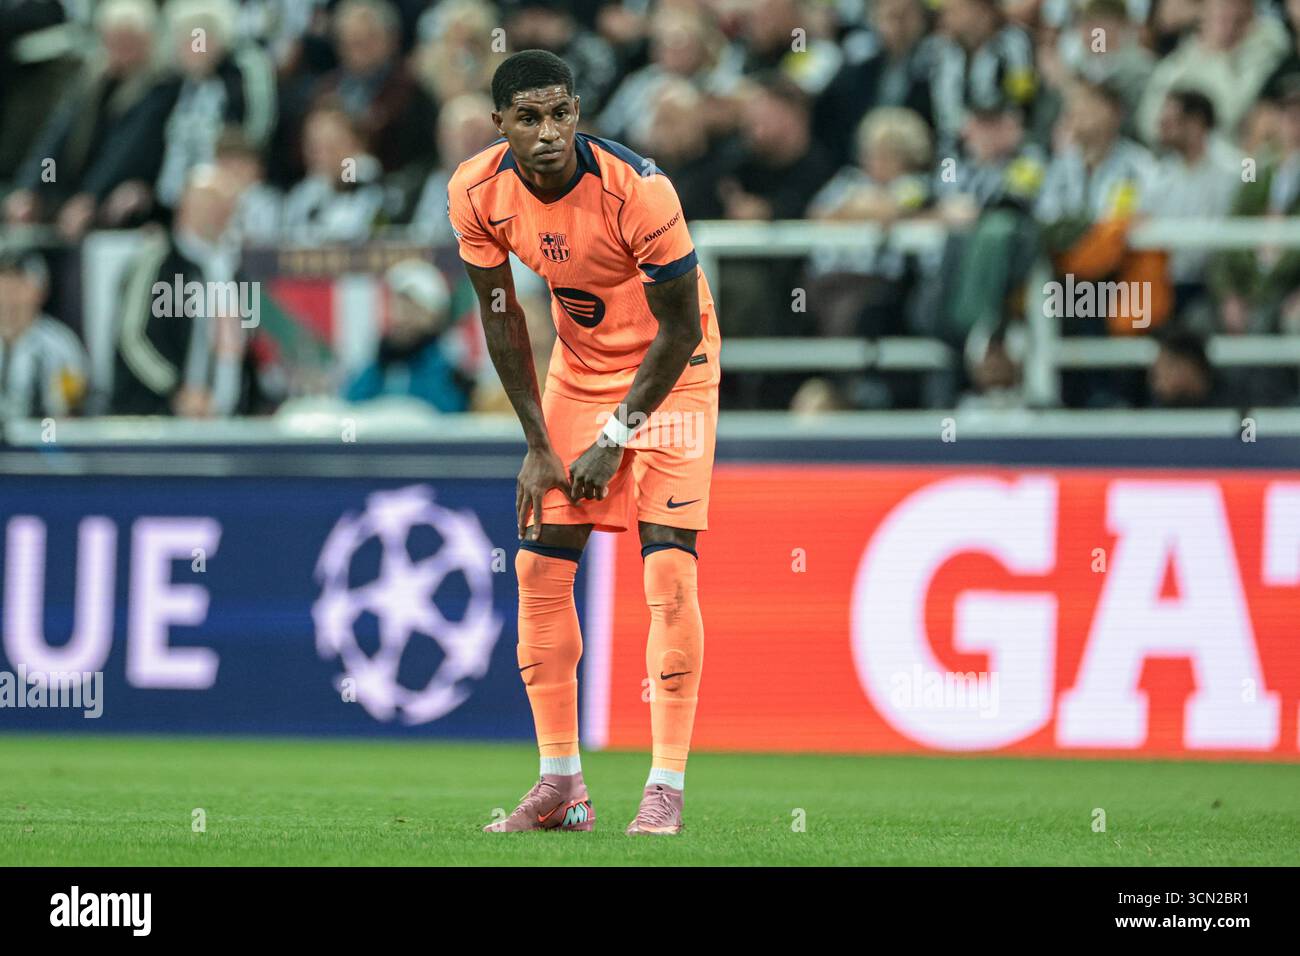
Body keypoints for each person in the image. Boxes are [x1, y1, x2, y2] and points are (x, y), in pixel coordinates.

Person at [448, 49, 720, 836]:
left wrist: (615, 437)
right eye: (527, 117)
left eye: (560, 113)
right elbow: (501, 315)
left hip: (677, 372)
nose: (547, 133)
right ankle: (561, 784)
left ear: (578, 112)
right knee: (538, 565)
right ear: (498, 124)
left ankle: (664, 787)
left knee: (668, 571)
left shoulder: (639, 189)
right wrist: (538, 442)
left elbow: (680, 329)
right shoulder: (475, 191)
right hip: (583, 368)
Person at [344, 259, 472, 411]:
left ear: (435, 317)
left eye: (412, 308)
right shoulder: (378, 365)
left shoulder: (452, 373)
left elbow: (450, 417)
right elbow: (349, 406)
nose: (401, 318)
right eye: (397, 306)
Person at [0, 249, 89, 421]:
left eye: (19, 283)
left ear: (41, 290)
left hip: (42, 441)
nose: (8, 293)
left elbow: (71, 411)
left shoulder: (60, 344)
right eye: (4, 282)